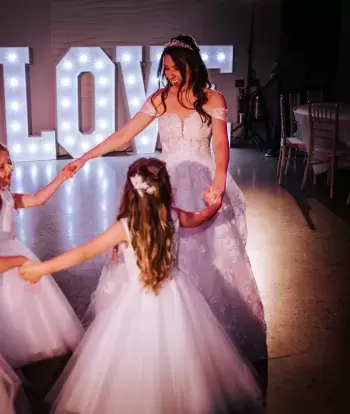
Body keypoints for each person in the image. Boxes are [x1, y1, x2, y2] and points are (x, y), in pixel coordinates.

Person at [63, 34, 266, 363]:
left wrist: (218, 179)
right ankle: (164, 330)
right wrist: (85, 156)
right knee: (164, 254)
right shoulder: (159, 99)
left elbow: (219, 145)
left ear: (191, 66)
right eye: (166, 68)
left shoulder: (213, 99)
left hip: (201, 181)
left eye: (175, 67)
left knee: (207, 258)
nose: (170, 73)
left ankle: (207, 339)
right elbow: (124, 134)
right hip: (166, 184)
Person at [20, 158, 264, 414]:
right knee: (183, 361)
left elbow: (82, 253)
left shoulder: (126, 226)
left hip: (137, 300)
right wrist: (213, 204)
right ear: (166, 188)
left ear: (130, 191)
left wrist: (41, 268)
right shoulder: (174, 216)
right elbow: (200, 217)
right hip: (177, 296)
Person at [0, 143, 83, 368]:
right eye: (1, 166)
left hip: (14, 255)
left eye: (9, 162)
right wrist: (21, 261)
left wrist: (61, 177)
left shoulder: (5, 196)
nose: (9, 169)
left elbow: (37, 198)